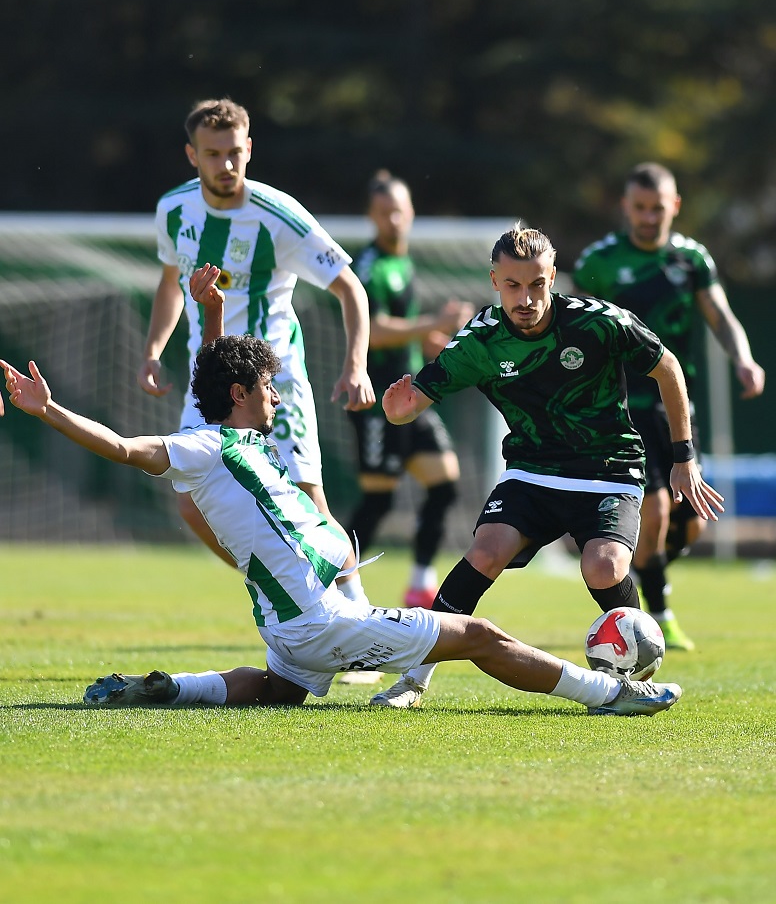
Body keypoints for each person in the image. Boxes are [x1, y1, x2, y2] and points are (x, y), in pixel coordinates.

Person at [0, 265, 684, 718]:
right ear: (243, 396)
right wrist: (47, 410)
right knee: (478, 634)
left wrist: (212, 317)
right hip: (321, 621)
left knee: (273, 690)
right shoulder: (206, 449)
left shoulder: (238, 439)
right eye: (267, 386)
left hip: (288, 630)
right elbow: (125, 448)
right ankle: (608, 692)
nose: (277, 392)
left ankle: (168, 687)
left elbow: (218, 388)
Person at [369, 224, 724, 709]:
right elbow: (409, 405)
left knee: (602, 567)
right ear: (495, 280)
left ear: (553, 277)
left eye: (537, 284)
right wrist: (396, 408)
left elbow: (668, 368)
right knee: (485, 552)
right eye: (513, 285)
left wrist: (683, 456)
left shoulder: (599, 322)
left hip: (608, 470)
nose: (526, 298)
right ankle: (414, 677)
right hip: (532, 471)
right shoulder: (479, 342)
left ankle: (632, 677)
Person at [137, 97, 374, 607]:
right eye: (212, 154)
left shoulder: (278, 215)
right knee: (190, 503)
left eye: (234, 153)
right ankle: (284, 586)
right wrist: (154, 349)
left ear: (249, 149)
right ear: (191, 154)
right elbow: (170, 283)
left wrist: (356, 364)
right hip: (210, 378)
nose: (225, 165)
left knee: (308, 501)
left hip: (274, 382)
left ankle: (358, 614)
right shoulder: (173, 210)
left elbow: (350, 287)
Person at [573, 163, 765, 650]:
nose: (648, 217)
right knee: (655, 509)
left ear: (673, 206)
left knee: (691, 522)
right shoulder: (601, 260)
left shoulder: (691, 259)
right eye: (639, 207)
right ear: (626, 207)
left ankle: (643, 573)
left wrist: (742, 358)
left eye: (657, 208)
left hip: (675, 405)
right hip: (623, 407)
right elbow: (571, 329)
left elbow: (720, 314)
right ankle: (656, 613)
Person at [346, 171, 474, 608]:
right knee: (377, 500)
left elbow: (402, 332)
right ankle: (330, 587)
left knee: (445, 484)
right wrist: (434, 323)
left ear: (412, 212)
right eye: (384, 213)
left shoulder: (403, 262)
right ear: (371, 217)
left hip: (412, 395)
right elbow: (376, 332)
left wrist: (429, 342)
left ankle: (420, 584)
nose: (394, 220)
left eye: (399, 211)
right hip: (376, 401)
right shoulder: (370, 266)